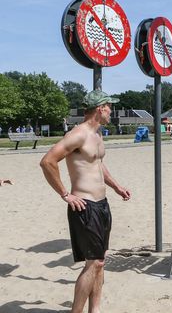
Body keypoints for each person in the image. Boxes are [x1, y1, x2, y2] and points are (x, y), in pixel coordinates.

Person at [39, 90, 131, 313]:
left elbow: (98, 166)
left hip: (102, 205)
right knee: (95, 263)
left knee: (100, 262)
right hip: (85, 206)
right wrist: (65, 194)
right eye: (110, 107)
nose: (112, 111)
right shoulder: (78, 134)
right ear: (100, 109)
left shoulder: (97, 135)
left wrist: (116, 186)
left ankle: (95, 310)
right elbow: (47, 161)